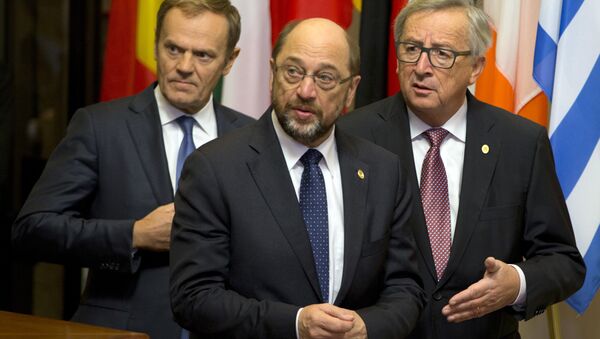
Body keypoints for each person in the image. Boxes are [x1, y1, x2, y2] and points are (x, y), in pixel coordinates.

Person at [337, 0, 585, 338]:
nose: (421, 67)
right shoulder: (352, 136)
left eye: (441, 54)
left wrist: (516, 283)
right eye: (411, 49)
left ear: (476, 67)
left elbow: (564, 261)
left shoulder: (520, 143)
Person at [170, 18, 425, 339]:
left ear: (351, 90)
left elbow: (405, 288)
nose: (305, 90)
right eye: (293, 72)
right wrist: (295, 324)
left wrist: (366, 327)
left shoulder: (384, 171)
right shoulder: (215, 168)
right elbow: (193, 298)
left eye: (325, 78)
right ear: (272, 73)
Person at [11, 0, 254, 337]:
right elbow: (32, 230)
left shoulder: (252, 139)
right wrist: (134, 235)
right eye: (173, 48)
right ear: (156, 44)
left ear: (230, 60)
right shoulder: (100, 127)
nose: (184, 66)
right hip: (121, 330)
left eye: (203, 55)